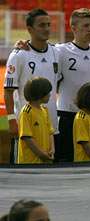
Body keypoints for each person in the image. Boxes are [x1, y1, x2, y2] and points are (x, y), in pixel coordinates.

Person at [4, 8, 60, 164]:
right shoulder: (18, 55)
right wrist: (11, 120)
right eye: (42, 25)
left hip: (51, 127)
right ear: (29, 29)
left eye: (48, 24)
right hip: (26, 127)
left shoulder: (57, 52)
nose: (47, 28)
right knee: (23, 172)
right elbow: (8, 91)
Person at [55, 8, 90, 162]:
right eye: (85, 26)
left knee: (88, 160)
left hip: (89, 117)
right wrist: (23, 44)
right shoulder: (60, 51)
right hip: (66, 115)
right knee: (65, 160)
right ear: (73, 28)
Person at [17, 77, 54, 164]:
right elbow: (27, 138)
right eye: (48, 93)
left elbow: (50, 133)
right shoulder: (26, 112)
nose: (50, 95)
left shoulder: (45, 110)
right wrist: (41, 155)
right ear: (40, 94)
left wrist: (52, 149)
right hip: (29, 164)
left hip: (45, 161)